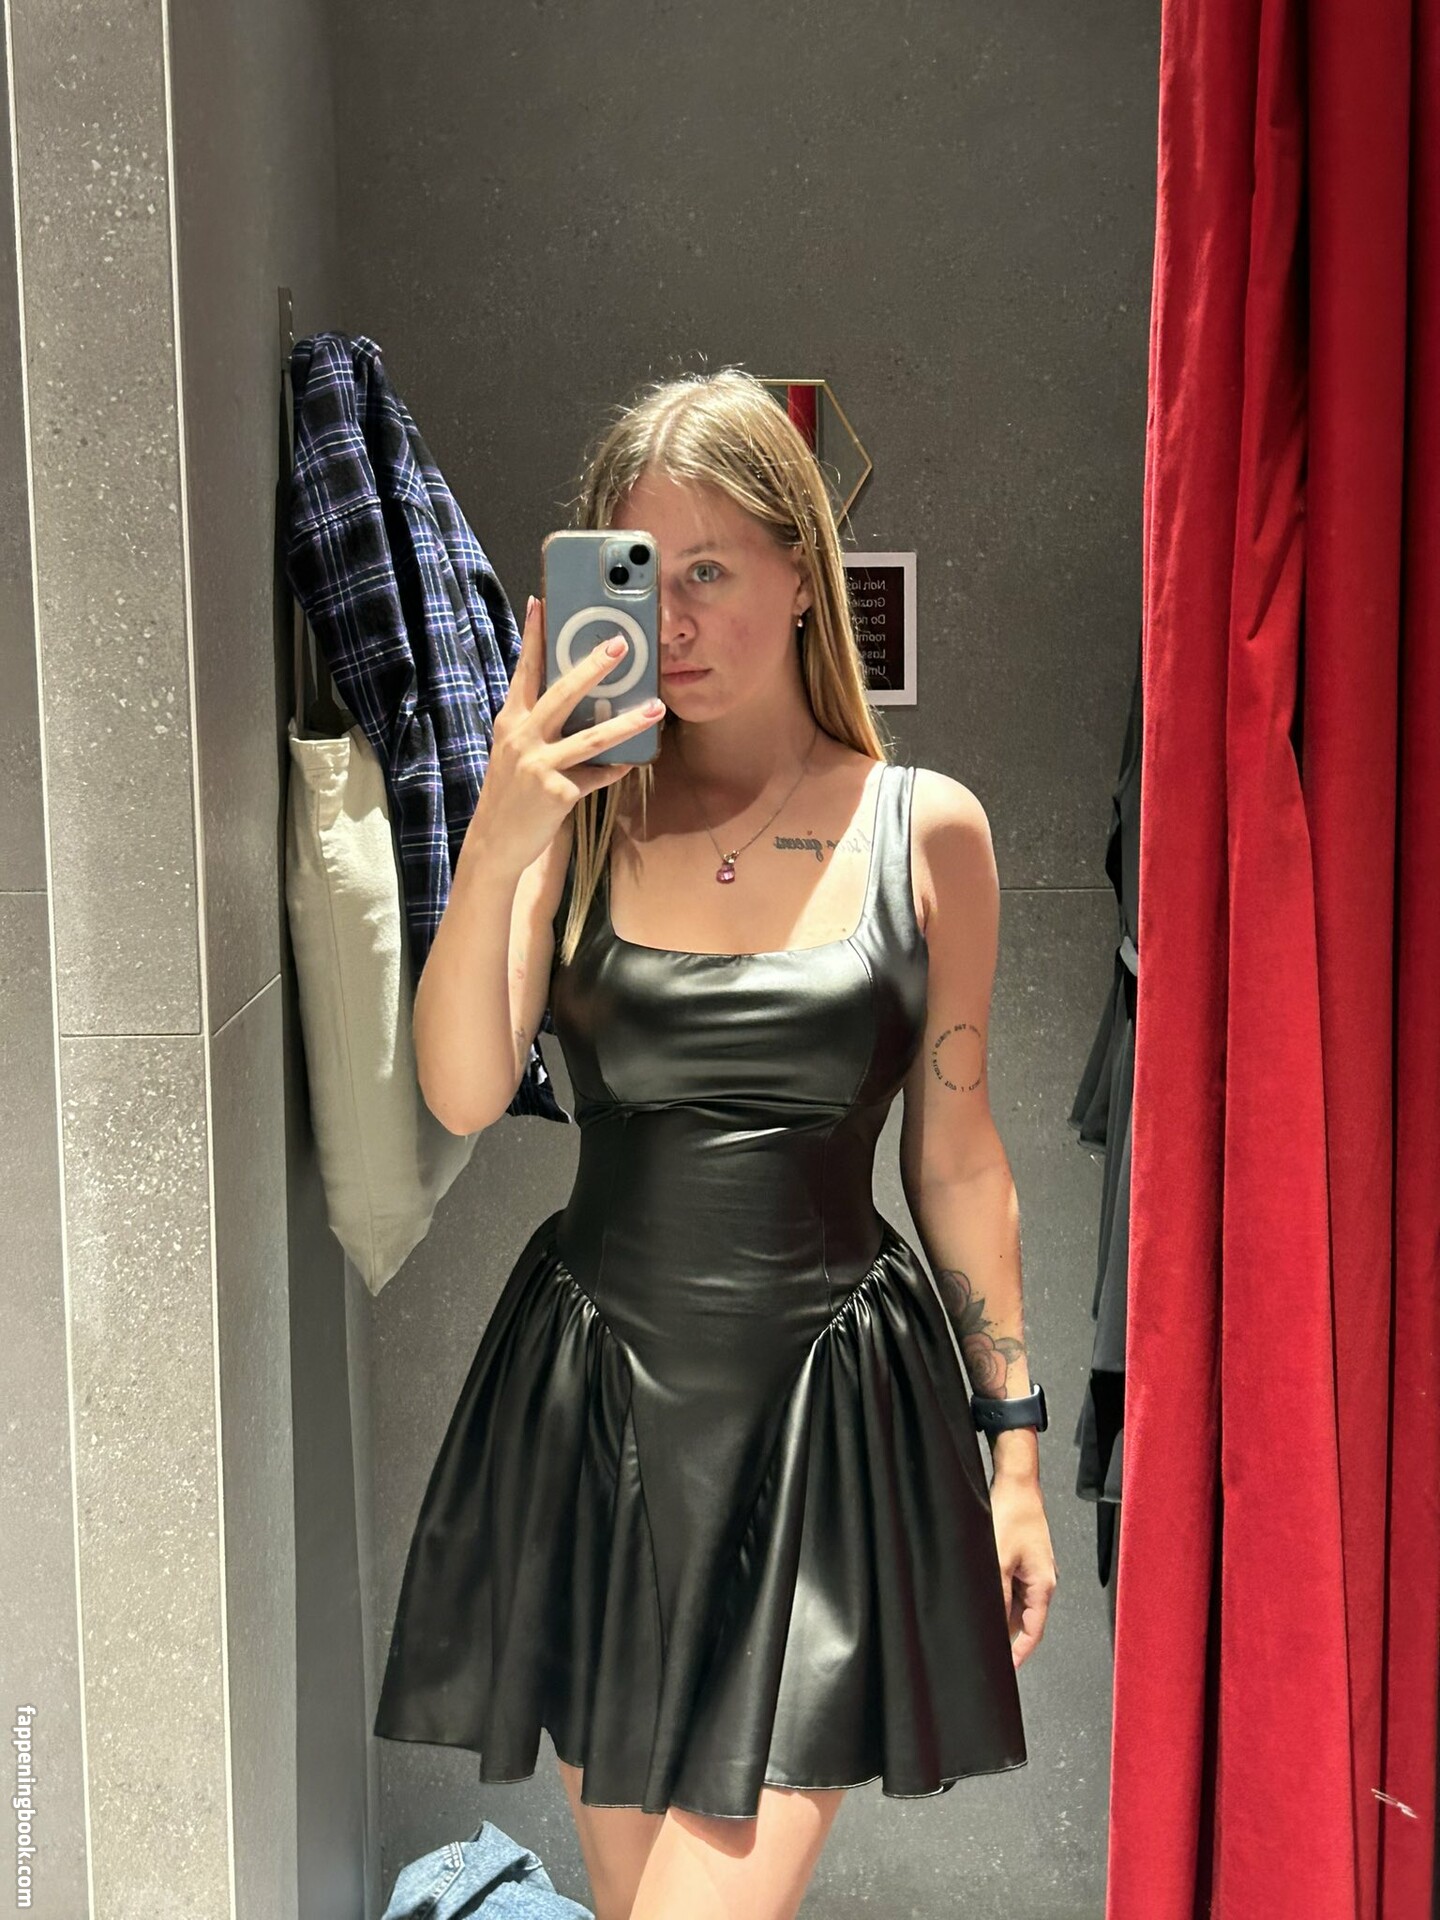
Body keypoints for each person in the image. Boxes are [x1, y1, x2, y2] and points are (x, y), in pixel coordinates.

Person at [373, 367, 1059, 1920]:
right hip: (594, 1419)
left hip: (828, 1426)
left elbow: (956, 1160)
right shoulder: (579, 818)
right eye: (639, 574)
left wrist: (1014, 1449)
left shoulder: (926, 830)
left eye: (708, 573)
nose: (671, 623)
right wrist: (500, 835)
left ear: (802, 574)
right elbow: (465, 1090)